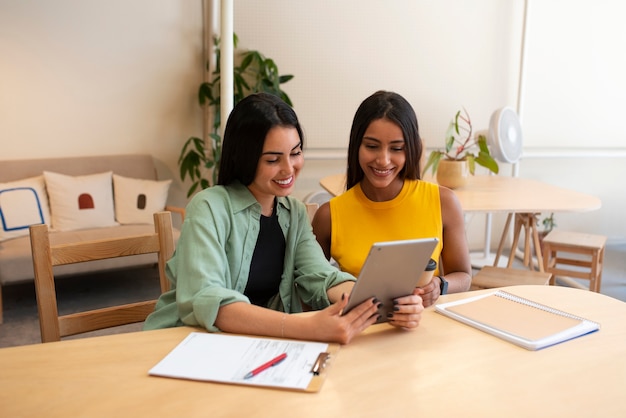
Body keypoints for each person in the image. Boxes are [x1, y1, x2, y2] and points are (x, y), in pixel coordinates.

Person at [144, 93, 424, 344]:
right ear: (245, 158)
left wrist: (382, 302)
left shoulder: (294, 213)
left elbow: (322, 277)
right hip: (187, 343)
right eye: (272, 159)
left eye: (296, 153)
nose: (289, 168)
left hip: (256, 346)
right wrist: (307, 328)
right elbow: (210, 301)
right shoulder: (208, 207)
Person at [312, 91, 472, 307]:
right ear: (356, 145)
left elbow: (463, 275)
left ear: (410, 149)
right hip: (359, 331)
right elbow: (309, 285)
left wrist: (439, 285)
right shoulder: (329, 215)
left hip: (424, 328)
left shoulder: (443, 202)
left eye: (396, 148)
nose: (383, 160)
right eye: (371, 146)